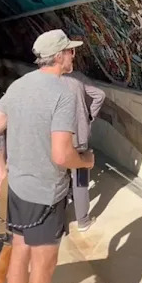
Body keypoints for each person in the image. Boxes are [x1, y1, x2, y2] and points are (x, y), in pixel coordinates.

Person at [0, 30, 94, 283]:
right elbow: (61, 155)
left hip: (18, 190)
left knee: (20, 253)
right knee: (43, 269)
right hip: (46, 193)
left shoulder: (18, 86)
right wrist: (84, 162)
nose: (73, 55)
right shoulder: (63, 93)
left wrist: (2, 173)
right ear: (59, 57)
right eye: (70, 51)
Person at [61, 70, 106, 232]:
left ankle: (59, 219)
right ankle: (83, 221)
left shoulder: (44, 80)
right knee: (80, 179)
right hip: (79, 135)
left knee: (59, 176)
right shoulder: (77, 78)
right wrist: (88, 116)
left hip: (57, 137)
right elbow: (100, 95)